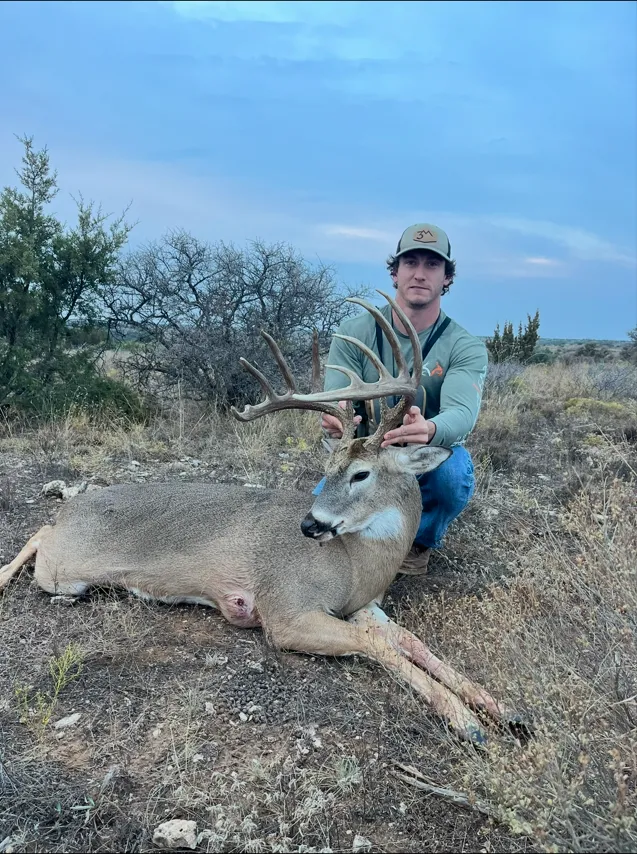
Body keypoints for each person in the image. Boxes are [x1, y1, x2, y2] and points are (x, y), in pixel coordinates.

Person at [318, 222, 488, 571]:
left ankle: (416, 545)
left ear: (447, 278)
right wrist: (336, 416)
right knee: (321, 507)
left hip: (420, 455)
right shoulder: (354, 333)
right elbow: (336, 395)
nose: (420, 274)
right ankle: (365, 537)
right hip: (368, 458)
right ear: (395, 273)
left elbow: (461, 411)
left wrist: (429, 430)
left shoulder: (463, 345)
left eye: (432, 265)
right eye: (410, 263)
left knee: (451, 477)